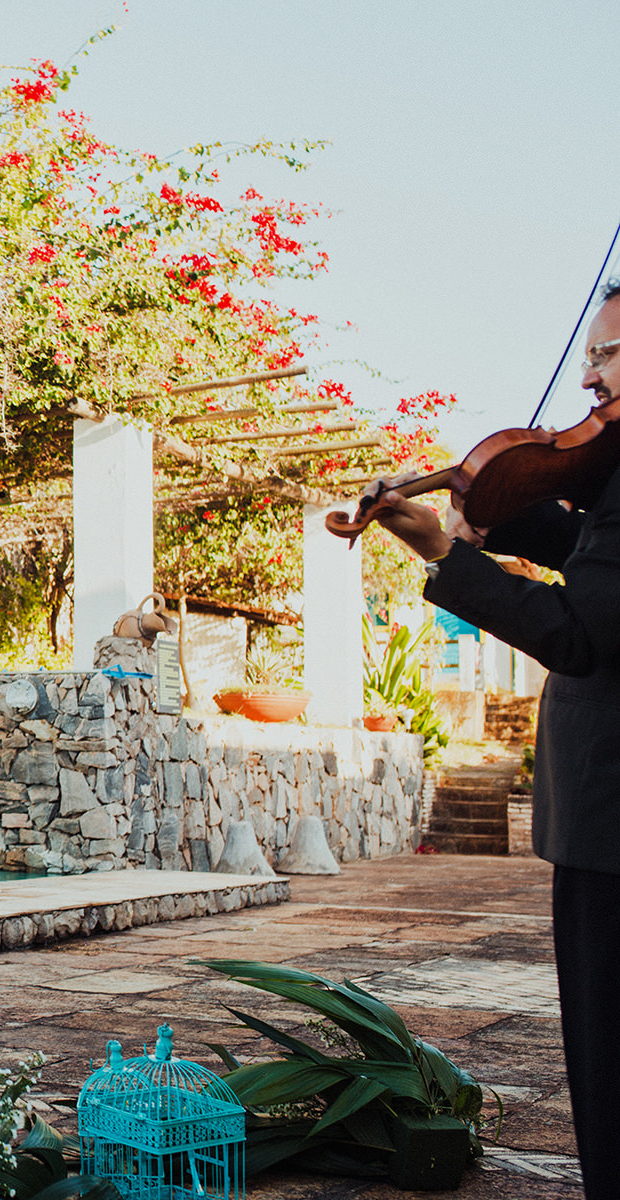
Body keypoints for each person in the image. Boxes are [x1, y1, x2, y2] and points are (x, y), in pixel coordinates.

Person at [363, 281, 620, 1199]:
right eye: (590, 353)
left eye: (610, 354)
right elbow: (593, 552)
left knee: (607, 1056)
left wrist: (445, 552)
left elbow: (580, 631)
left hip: (610, 824)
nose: (590, 375)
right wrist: (492, 500)